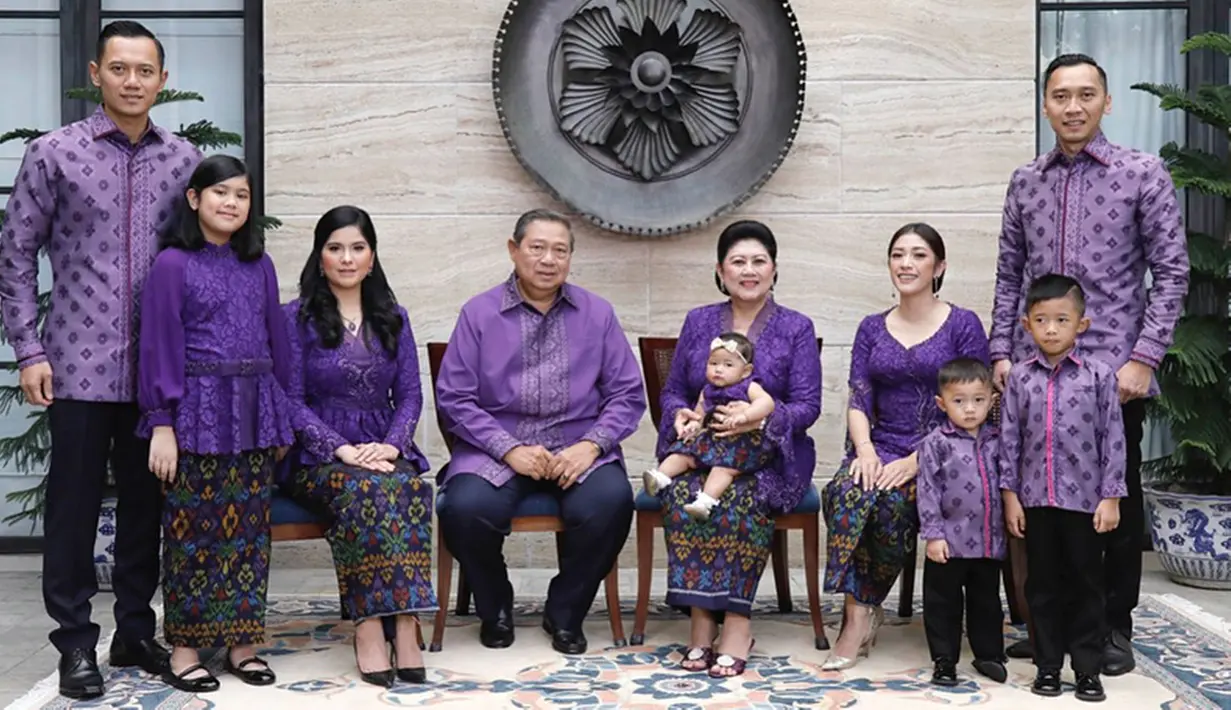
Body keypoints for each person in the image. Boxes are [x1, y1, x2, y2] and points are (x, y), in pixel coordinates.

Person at [0, 20, 201, 700]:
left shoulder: (185, 161)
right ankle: (75, 644)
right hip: (78, 366)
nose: (133, 81)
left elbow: (200, 262)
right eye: (120, 68)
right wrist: (28, 347)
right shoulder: (53, 154)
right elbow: (15, 254)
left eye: (145, 70)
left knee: (148, 506)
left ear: (162, 80)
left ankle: (136, 630)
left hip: (156, 375)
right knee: (74, 507)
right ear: (97, 73)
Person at [990, 53, 1188, 673]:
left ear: (1106, 103)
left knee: (1113, 506)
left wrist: (1144, 358)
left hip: (1112, 377)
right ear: (1045, 104)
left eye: (1085, 95)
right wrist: (1002, 350)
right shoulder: (1026, 181)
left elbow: (1173, 272)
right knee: (1042, 511)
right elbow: (1008, 274)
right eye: (1060, 96)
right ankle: (1047, 628)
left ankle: (1109, 629)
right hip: (1035, 377)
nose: (1072, 107)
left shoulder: (1142, 173)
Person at [434, 209, 645, 655]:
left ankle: (565, 611)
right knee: (463, 507)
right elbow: (454, 397)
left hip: (577, 447)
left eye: (560, 250)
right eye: (537, 248)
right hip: (496, 449)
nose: (548, 259)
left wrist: (591, 446)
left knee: (611, 502)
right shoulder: (479, 313)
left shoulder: (597, 313)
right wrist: (509, 450)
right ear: (514, 250)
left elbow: (627, 394)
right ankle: (496, 607)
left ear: (570, 258)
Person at [137, 155, 294, 693]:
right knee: (192, 533)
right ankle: (184, 649)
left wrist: (283, 416)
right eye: (221, 192)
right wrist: (161, 422)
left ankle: (243, 644)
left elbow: (278, 341)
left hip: (256, 410)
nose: (231, 203)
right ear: (194, 198)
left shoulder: (261, 264)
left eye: (242, 195)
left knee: (249, 534)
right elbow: (158, 345)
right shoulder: (173, 264)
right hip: (196, 412)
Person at [654, 220, 821, 678]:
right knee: (682, 495)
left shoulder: (796, 327)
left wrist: (758, 417)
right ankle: (701, 620)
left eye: (759, 261)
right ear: (721, 271)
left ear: (773, 269)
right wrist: (681, 415)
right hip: (705, 448)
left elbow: (808, 405)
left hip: (768, 453)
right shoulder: (699, 321)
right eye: (738, 262)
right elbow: (673, 392)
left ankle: (737, 624)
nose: (749, 271)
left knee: (742, 498)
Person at [821, 222, 990, 671]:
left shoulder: (963, 323)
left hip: (947, 454)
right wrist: (865, 451)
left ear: (940, 266)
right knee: (845, 493)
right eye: (898, 254)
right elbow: (859, 395)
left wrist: (918, 461)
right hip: (880, 444)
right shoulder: (871, 327)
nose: (907, 263)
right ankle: (858, 613)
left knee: (891, 506)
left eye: (918, 254)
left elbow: (980, 398)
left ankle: (860, 616)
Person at [281, 205, 436, 687]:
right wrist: (341, 450)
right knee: (366, 492)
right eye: (335, 248)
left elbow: (410, 393)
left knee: (407, 489)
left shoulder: (394, 316)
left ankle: (406, 623)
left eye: (357, 248)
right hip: (318, 455)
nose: (346, 259)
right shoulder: (295, 318)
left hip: (383, 450)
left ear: (372, 258)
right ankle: (370, 627)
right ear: (320, 256)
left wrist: (391, 446)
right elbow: (289, 400)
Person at [1000, 274, 1126, 702]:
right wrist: (1010, 495)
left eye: (1061, 319)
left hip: (1085, 502)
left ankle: (1087, 669)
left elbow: (1113, 438)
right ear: (1026, 325)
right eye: (1041, 320)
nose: (1051, 329)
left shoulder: (1100, 376)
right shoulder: (1020, 377)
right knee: (1042, 585)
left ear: (1081, 325)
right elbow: (1009, 440)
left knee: (1087, 585)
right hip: (1035, 500)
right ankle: (1048, 666)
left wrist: (1111, 496)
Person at [917, 358, 1006, 687]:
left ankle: (989, 654)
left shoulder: (998, 441)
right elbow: (927, 491)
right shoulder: (935, 444)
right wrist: (933, 535)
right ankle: (944, 660)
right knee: (943, 603)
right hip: (949, 543)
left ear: (991, 401)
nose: (970, 409)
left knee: (987, 601)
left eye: (978, 400)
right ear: (942, 403)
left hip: (988, 541)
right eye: (959, 401)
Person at [643, 331, 777, 520]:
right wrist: (693, 426)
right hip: (713, 439)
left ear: (745, 371)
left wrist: (746, 416)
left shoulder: (749, 386)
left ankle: (705, 502)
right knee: (683, 453)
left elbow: (767, 403)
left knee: (723, 468)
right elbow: (699, 414)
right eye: (713, 364)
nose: (718, 370)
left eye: (728, 365)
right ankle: (660, 477)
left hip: (742, 443)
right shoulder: (707, 391)